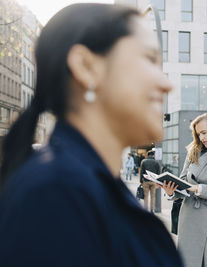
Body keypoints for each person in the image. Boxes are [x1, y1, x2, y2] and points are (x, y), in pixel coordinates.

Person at [0, 4, 182, 266]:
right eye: (149, 59)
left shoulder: (83, 186)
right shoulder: (56, 196)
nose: (166, 84)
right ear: (86, 66)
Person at [162, 113, 207, 267]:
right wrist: (170, 192)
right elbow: (182, 181)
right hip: (189, 215)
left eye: (204, 132)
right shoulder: (194, 151)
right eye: (198, 134)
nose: (201, 138)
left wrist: (197, 188)